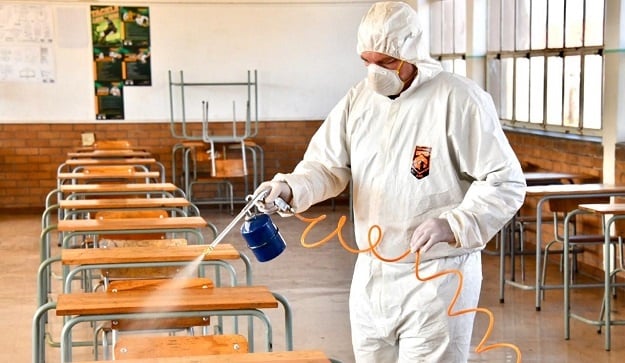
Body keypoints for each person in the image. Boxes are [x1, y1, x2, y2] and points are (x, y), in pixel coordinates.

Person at [255, 2, 526, 362]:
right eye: (366, 62)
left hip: (437, 276)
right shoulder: (360, 100)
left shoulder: (458, 100)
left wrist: (453, 223)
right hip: (372, 273)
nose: (374, 72)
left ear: (411, 53)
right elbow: (325, 165)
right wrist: (290, 188)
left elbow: (505, 181)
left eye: (385, 63)